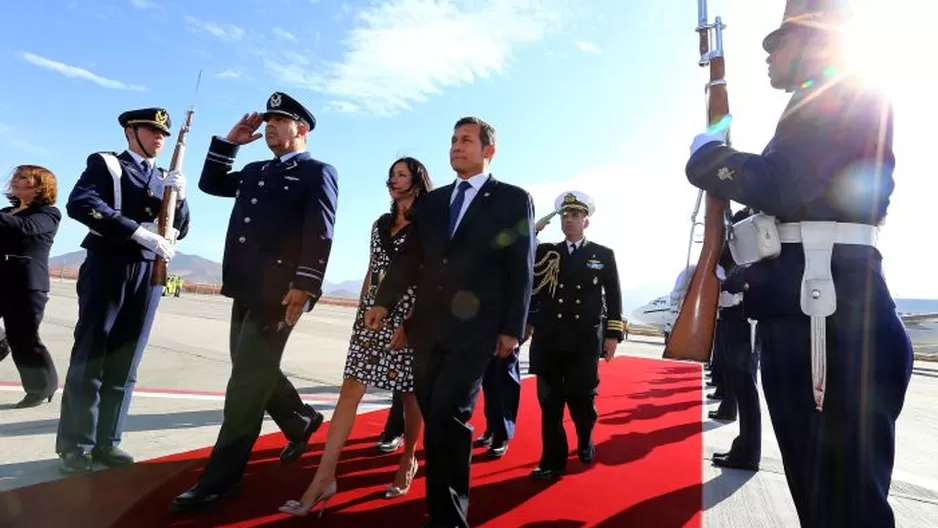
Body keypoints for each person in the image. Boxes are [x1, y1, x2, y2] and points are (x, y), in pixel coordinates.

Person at [684, 2, 912, 526]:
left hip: (825, 320)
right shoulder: (818, 104)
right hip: (819, 313)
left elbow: (781, 184)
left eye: (779, 43)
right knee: (824, 503)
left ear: (816, 41)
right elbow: (793, 199)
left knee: (841, 508)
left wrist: (708, 159)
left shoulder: (842, 94)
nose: (769, 56)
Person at [364, 116, 535, 528]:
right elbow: (409, 259)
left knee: (449, 417)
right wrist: (384, 301)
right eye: (454, 140)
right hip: (427, 330)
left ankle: (450, 519)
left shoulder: (512, 199)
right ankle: (441, 511)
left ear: (488, 151)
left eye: (467, 140)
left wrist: (512, 328)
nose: (457, 147)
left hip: (475, 332)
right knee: (437, 419)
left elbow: (521, 266)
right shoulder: (434, 203)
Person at [171, 91, 338, 512]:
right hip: (245, 287)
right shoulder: (256, 169)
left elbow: (321, 231)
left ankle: (220, 480)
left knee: (244, 385)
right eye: (267, 122)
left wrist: (307, 284)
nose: (269, 128)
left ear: (301, 128)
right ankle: (301, 421)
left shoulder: (316, 172)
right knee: (252, 370)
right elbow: (211, 184)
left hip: (281, 294)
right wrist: (229, 142)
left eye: (279, 121)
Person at [279, 156, 432, 517]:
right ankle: (323, 478)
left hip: (408, 317)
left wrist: (413, 323)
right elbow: (372, 269)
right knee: (350, 389)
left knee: (409, 394)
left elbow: (427, 276)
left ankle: (408, 458)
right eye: (391, 174)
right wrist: (363, 311)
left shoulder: (428, 223)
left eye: (401, 174)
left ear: (417, 181)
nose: (393, 180)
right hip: (372, 315)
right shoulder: (380, 224)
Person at [56, 108, 190, 474]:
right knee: (92, 354)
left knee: (126, 361)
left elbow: (181, 226)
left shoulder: (163, 176)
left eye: (163, 133)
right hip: (109, 264)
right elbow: (81, 203)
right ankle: (76, 446)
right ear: (131, 132)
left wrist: (179, 196)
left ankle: (107, 442)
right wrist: (136, 231)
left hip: (149, 272)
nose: (159, 137)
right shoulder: (107, 164)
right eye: (151, 130)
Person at [525, 191, 624, 480]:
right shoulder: (546, 253)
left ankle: (585, 437)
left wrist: (612, 336)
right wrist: (535, 229)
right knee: (550, 403)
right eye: (565, 216)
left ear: (586, 222)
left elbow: (614, 297)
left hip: (583, 339)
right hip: (550, 338)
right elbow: (521, 253)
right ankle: (552, 462)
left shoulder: (602, 255)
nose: (569, 221)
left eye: (575, 216)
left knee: (582, 400)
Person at [0, 165, 61, 408]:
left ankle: (42, 386)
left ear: (40, 186)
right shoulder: (7, 212)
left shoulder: (48, 214)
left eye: (23, 177)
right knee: (15, 336)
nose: (15, 180)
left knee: (24, 339)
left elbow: (26, 230)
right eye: (16, 176)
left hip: (26, 285)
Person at [710, 207, 761, 469]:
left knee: (746, 387)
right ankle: (746, 447)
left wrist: (728, 277)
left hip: (745, 321)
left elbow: (738, 284)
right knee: (740, 385)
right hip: (734, 319)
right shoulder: (738, 256)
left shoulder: (751, 256)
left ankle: (749, 451)